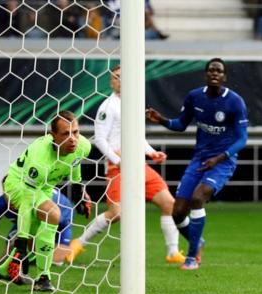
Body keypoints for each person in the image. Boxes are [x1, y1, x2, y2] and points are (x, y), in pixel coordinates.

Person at [66, 65, 185, 265]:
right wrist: (118, 160)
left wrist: (151, 152)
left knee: (169, 204)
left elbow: (137, 136)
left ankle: (172, 253)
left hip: (139, 165)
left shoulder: (134, 103)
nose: (119, 80)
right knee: (116, 213)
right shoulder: (107, 107)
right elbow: (100, 140)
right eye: (115, 77)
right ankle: (78, 243)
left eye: (122, 76)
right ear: (111, 82)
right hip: (118, 166)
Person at [146, 58, 249, 270]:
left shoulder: (235, 102)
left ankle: (192, 257)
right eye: (211, 70)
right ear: (205, 74)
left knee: (198, 197)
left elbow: (242, 140)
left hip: (223, 161)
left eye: (219, 71)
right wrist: (163, 120)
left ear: (224, 76)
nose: (214, 74)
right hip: (200, 159)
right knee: (177, 212)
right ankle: (197, 241)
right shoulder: (195, 97)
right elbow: (181, 124)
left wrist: (219, 158)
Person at [1, 111, 92, 292]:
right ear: (53, 136)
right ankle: (43, 276)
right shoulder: (40, 159)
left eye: (75, 132)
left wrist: (79, 191)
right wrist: (21, 242)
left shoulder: (83, 146)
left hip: (45, 187)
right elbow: (27, 203)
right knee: (53, 214)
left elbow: (75, 164)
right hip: (19, 184)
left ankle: (4, 269)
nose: (73, 138)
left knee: (40, 227)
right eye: (66, 134)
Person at [0, 188, 75, 270]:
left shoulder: (35, 200)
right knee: (16, 241)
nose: (11, 199)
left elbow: (31, 233)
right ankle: (11, 262)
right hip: (33, 219)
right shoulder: (0, 204)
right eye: (8, 193)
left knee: (56, 260)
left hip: (64, 217)